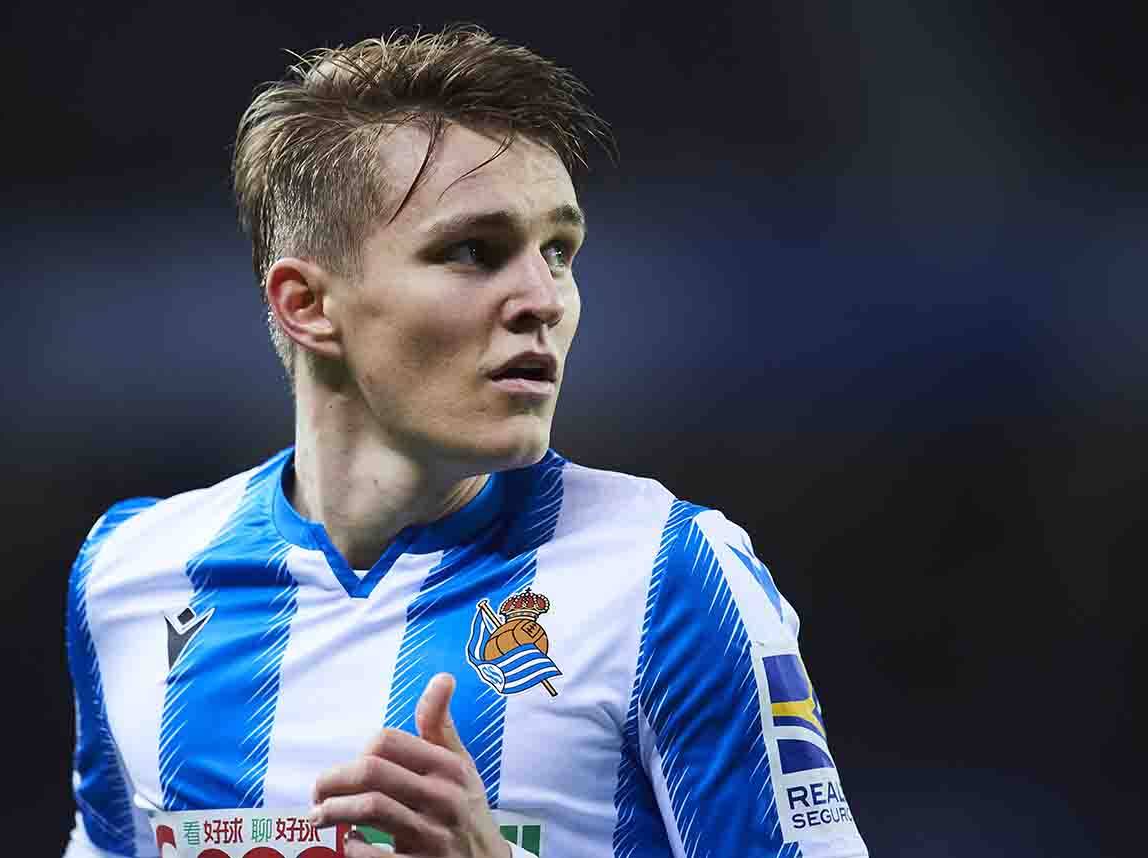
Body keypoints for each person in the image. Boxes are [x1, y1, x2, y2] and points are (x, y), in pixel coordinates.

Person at [63, 25, 869, 858]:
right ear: (307, 305)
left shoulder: (671, 576)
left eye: (558, 251)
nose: (543, 299)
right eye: (475, 252)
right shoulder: (132, 574)